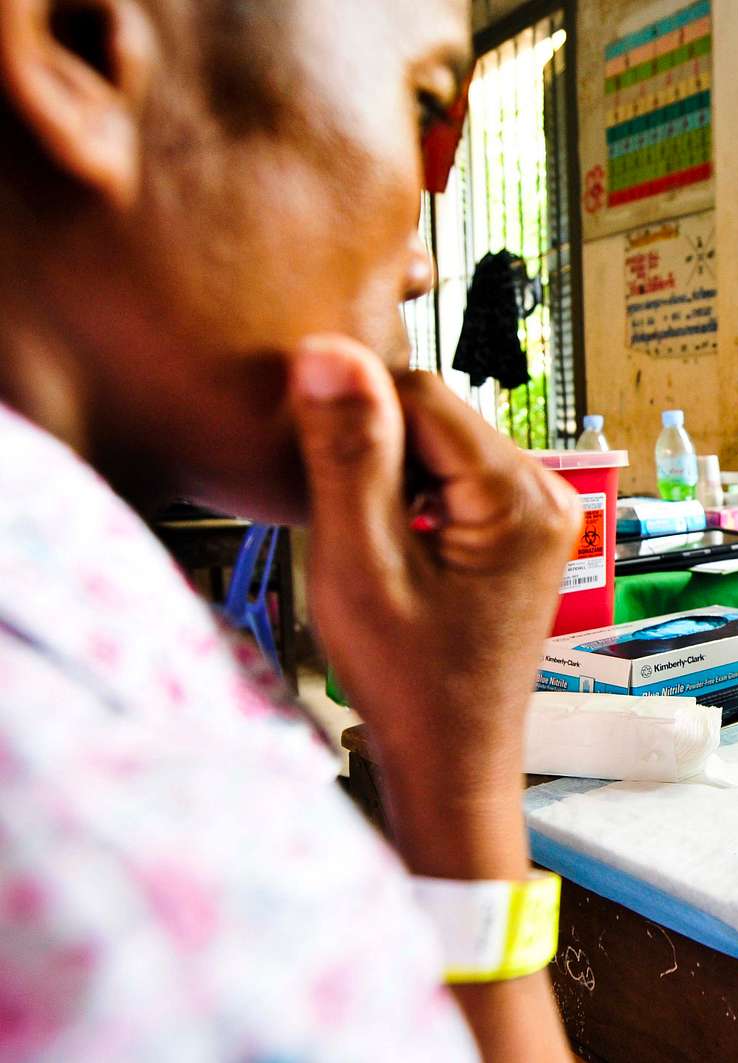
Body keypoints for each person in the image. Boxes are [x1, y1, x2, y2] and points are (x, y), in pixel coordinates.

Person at [0, 0, 578, 1057]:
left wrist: (449, 773)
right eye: (421, 102)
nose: (423, 267)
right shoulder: (119, 827)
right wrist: (470, 801)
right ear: (80, 48)